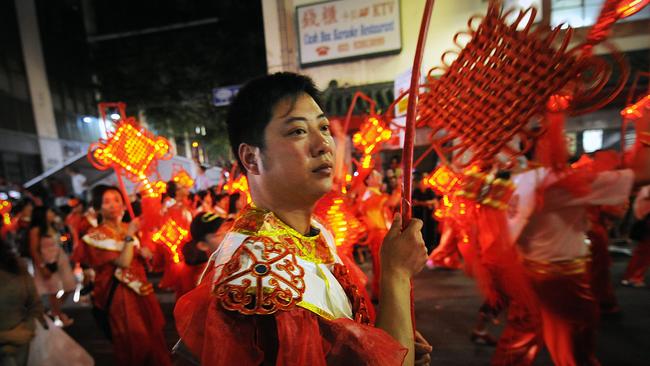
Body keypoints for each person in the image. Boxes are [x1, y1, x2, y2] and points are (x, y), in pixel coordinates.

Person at [174, 72, 431, 366]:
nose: (323, 144)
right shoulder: (260, 277)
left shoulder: (316, 234)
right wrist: (396, 276)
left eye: (323, 127)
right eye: (297, 131)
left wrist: (389, 338)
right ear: (251, 158)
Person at [492, 106, 650, 366]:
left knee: (519, 343)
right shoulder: (560, 181)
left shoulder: (524, 179)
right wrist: (644, 121)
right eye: (557, 133)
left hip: (527, 273)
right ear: (540, 143)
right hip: (561, 280)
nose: (564, 138)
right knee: (576, 349)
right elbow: (643, 175)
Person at [82, 185, 171, 366]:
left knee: (152, 334)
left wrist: (144, 252)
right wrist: (130, 235)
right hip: (120, 296)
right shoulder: (96, 234)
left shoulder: (126, 227)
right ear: (98, 208)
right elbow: (123, 262)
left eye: (117, 200)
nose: (114, 205)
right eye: (106, 202)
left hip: (141, 289)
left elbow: (136, 257)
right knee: (134, 339)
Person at [28, 206, 76, 327]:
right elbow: (34, 250)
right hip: (48, 263)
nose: (51, 213)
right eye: (49, 211)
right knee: (53, 291)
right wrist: (42, 266)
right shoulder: (36, 230)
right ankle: (59, 314)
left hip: (60, 261)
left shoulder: (53, 227)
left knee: (70, 286)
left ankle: (55, 311)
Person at [0, 238, 43, 366]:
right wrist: (6, 337)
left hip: (22, 349)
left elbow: (35, 306)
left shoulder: (15, 266)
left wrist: (26, 331)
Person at [621, 184, 650, 287]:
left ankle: (632, 277)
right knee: (644, 252)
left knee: (644, 252)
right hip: (647, 219)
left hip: (645, 218)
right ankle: (633, 277)